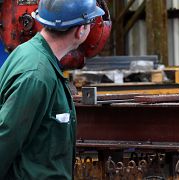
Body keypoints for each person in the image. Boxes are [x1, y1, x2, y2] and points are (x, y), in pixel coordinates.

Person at [0, 0, 105, 179]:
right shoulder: (37, 76)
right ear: (81, 30)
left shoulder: (27, 53)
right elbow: (4, 141)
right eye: (91, 22)